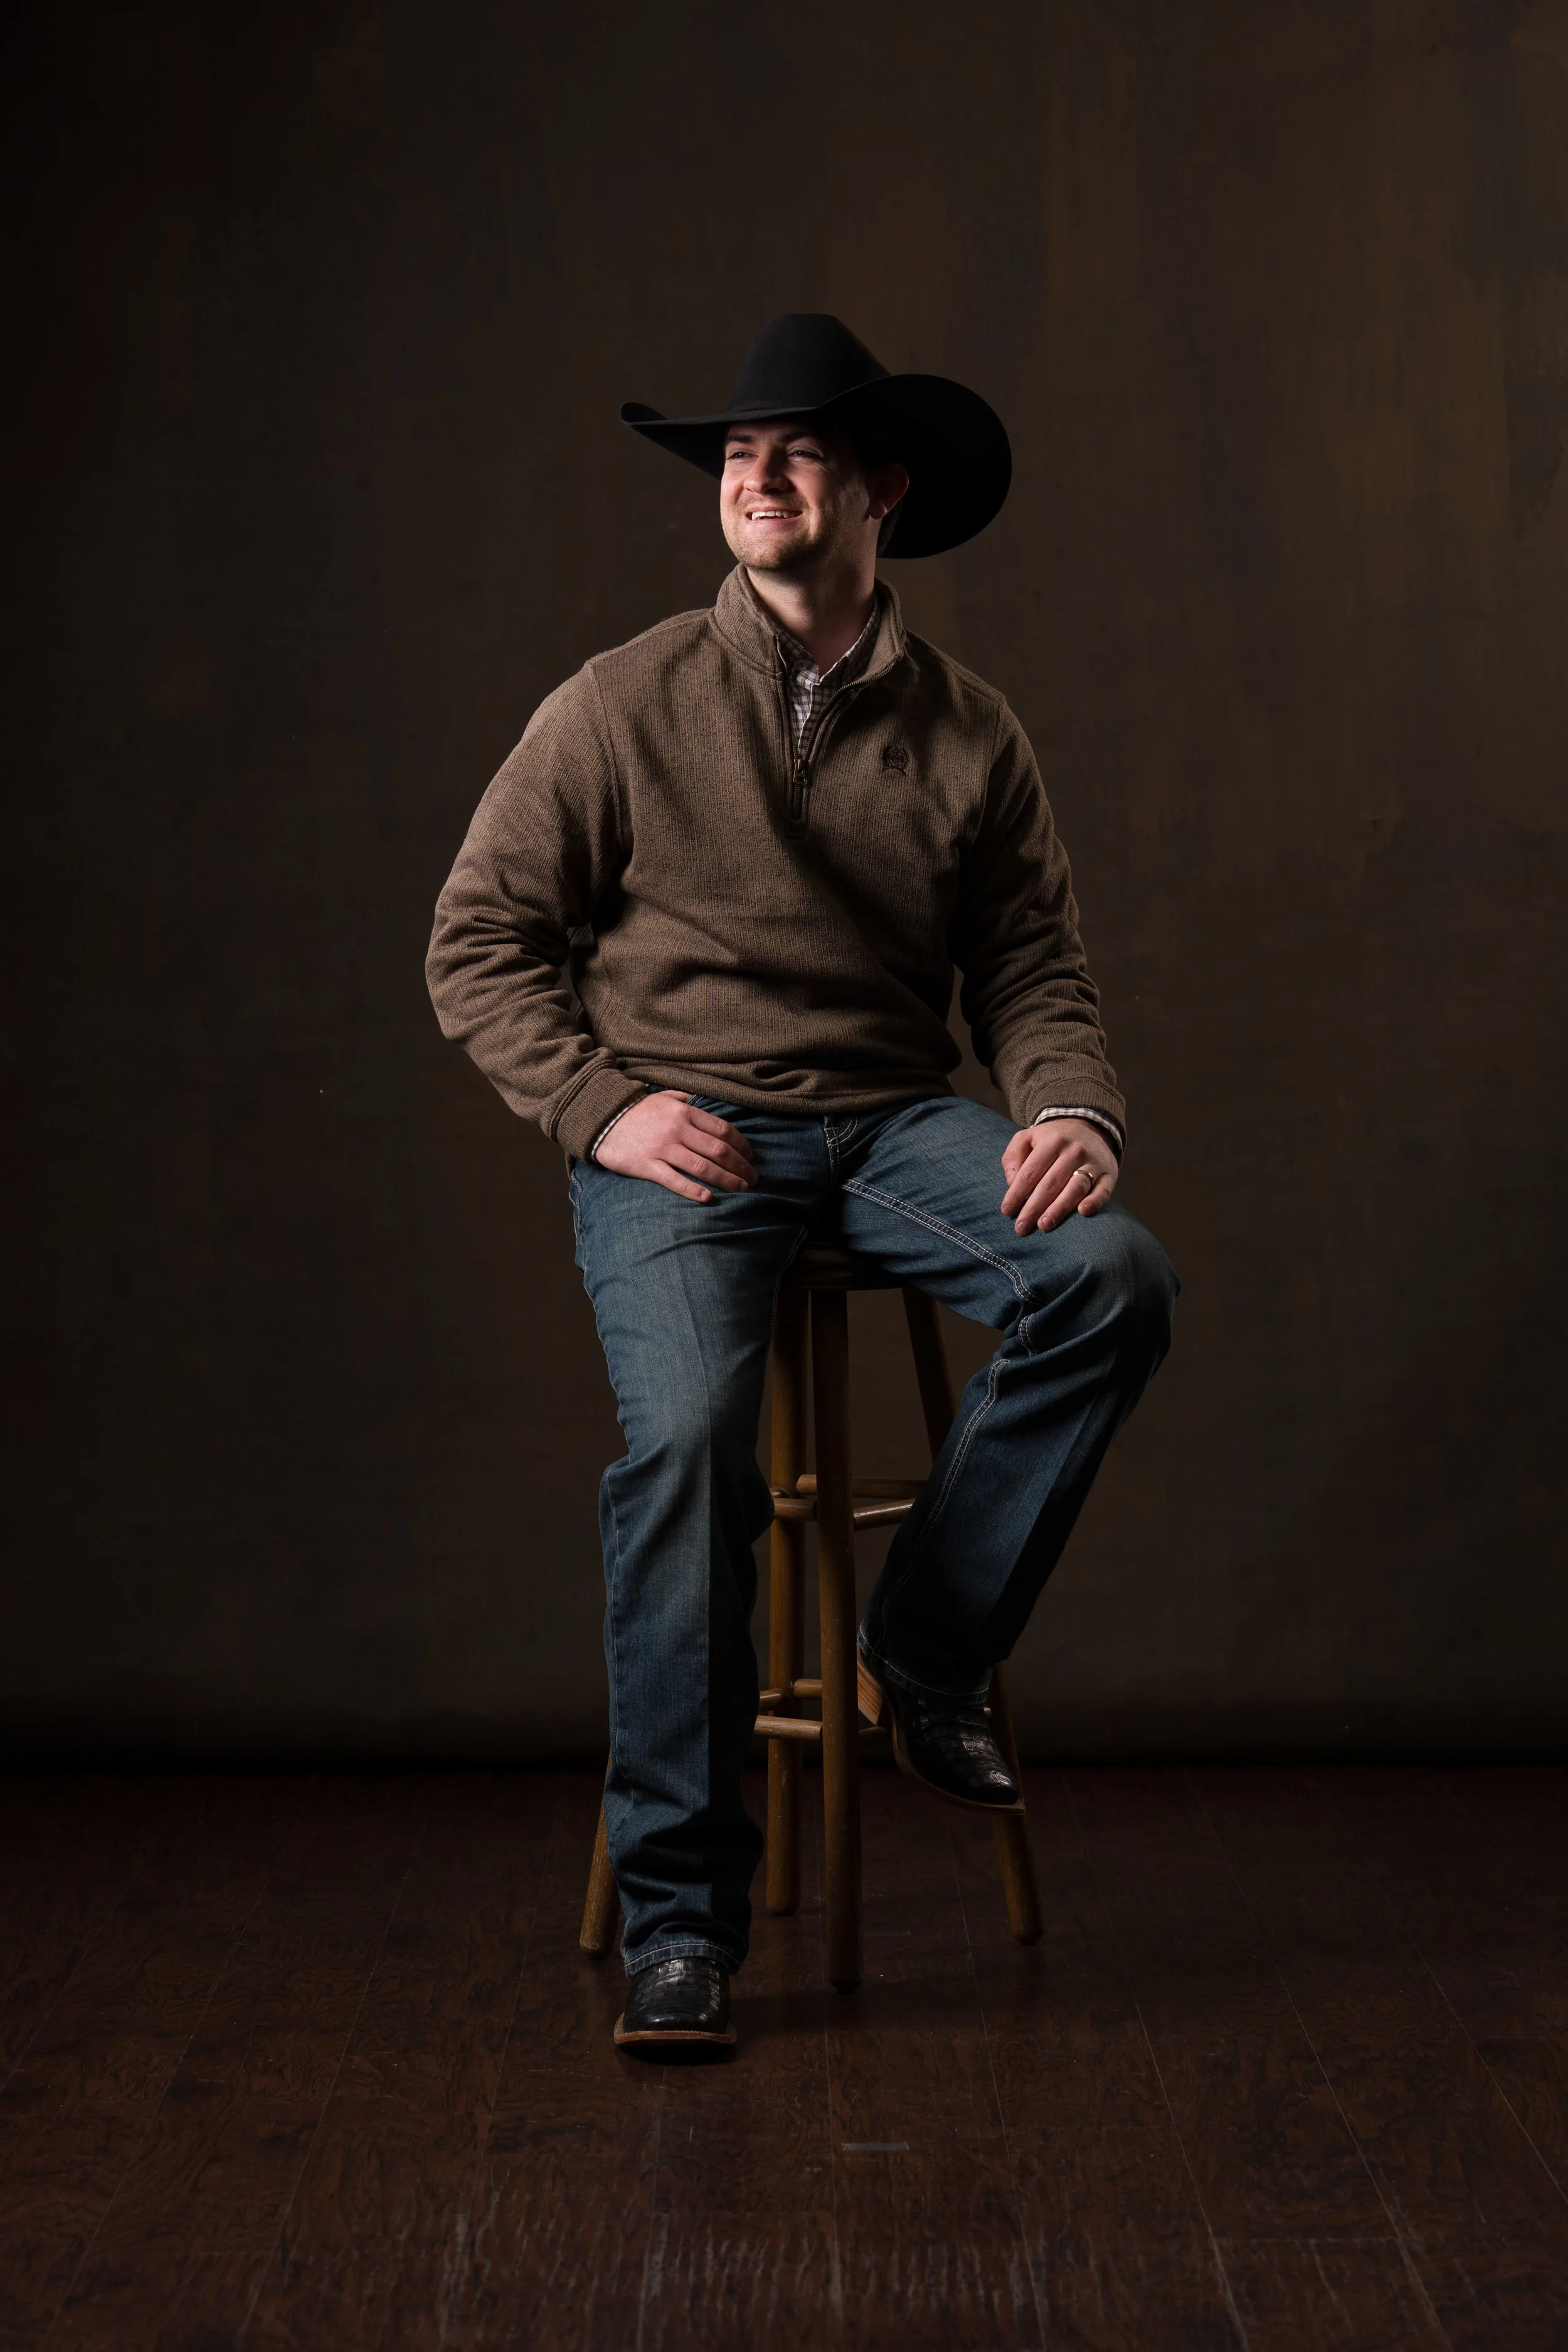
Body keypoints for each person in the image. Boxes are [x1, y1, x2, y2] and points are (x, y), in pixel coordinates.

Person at [426, 314, 1177, 2056]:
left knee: (1113, 1276)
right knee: (691, 1445)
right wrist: (603, 1107)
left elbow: (1035, 971)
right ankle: (685, 1920)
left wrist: (1071, 1107)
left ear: (879, 493)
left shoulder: (972, 736)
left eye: (798, 454)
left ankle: (916, 1648)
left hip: (889, 1125)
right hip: (685, 1133)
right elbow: (476, 945)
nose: (753, 478)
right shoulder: (619, 703)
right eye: (735, 458)